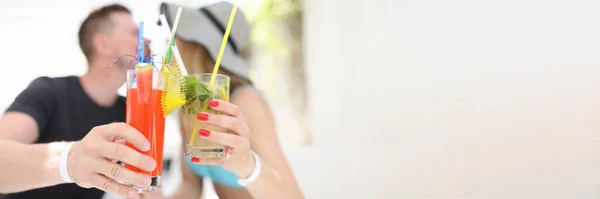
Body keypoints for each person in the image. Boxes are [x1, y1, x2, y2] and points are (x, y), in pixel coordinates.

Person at [0, 4, 156, 199]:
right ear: (103, 44)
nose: (147, 40)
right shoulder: (48, 92)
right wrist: (70, 160)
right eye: (135, 33)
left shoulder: (129, 110)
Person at [159, 2, 304, 199]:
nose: (168, 45)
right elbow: (190, 184)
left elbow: (294, 196)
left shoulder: (245, 102)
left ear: (198, 47)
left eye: (175, 39)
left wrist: (248, 166)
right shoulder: (190, 104)